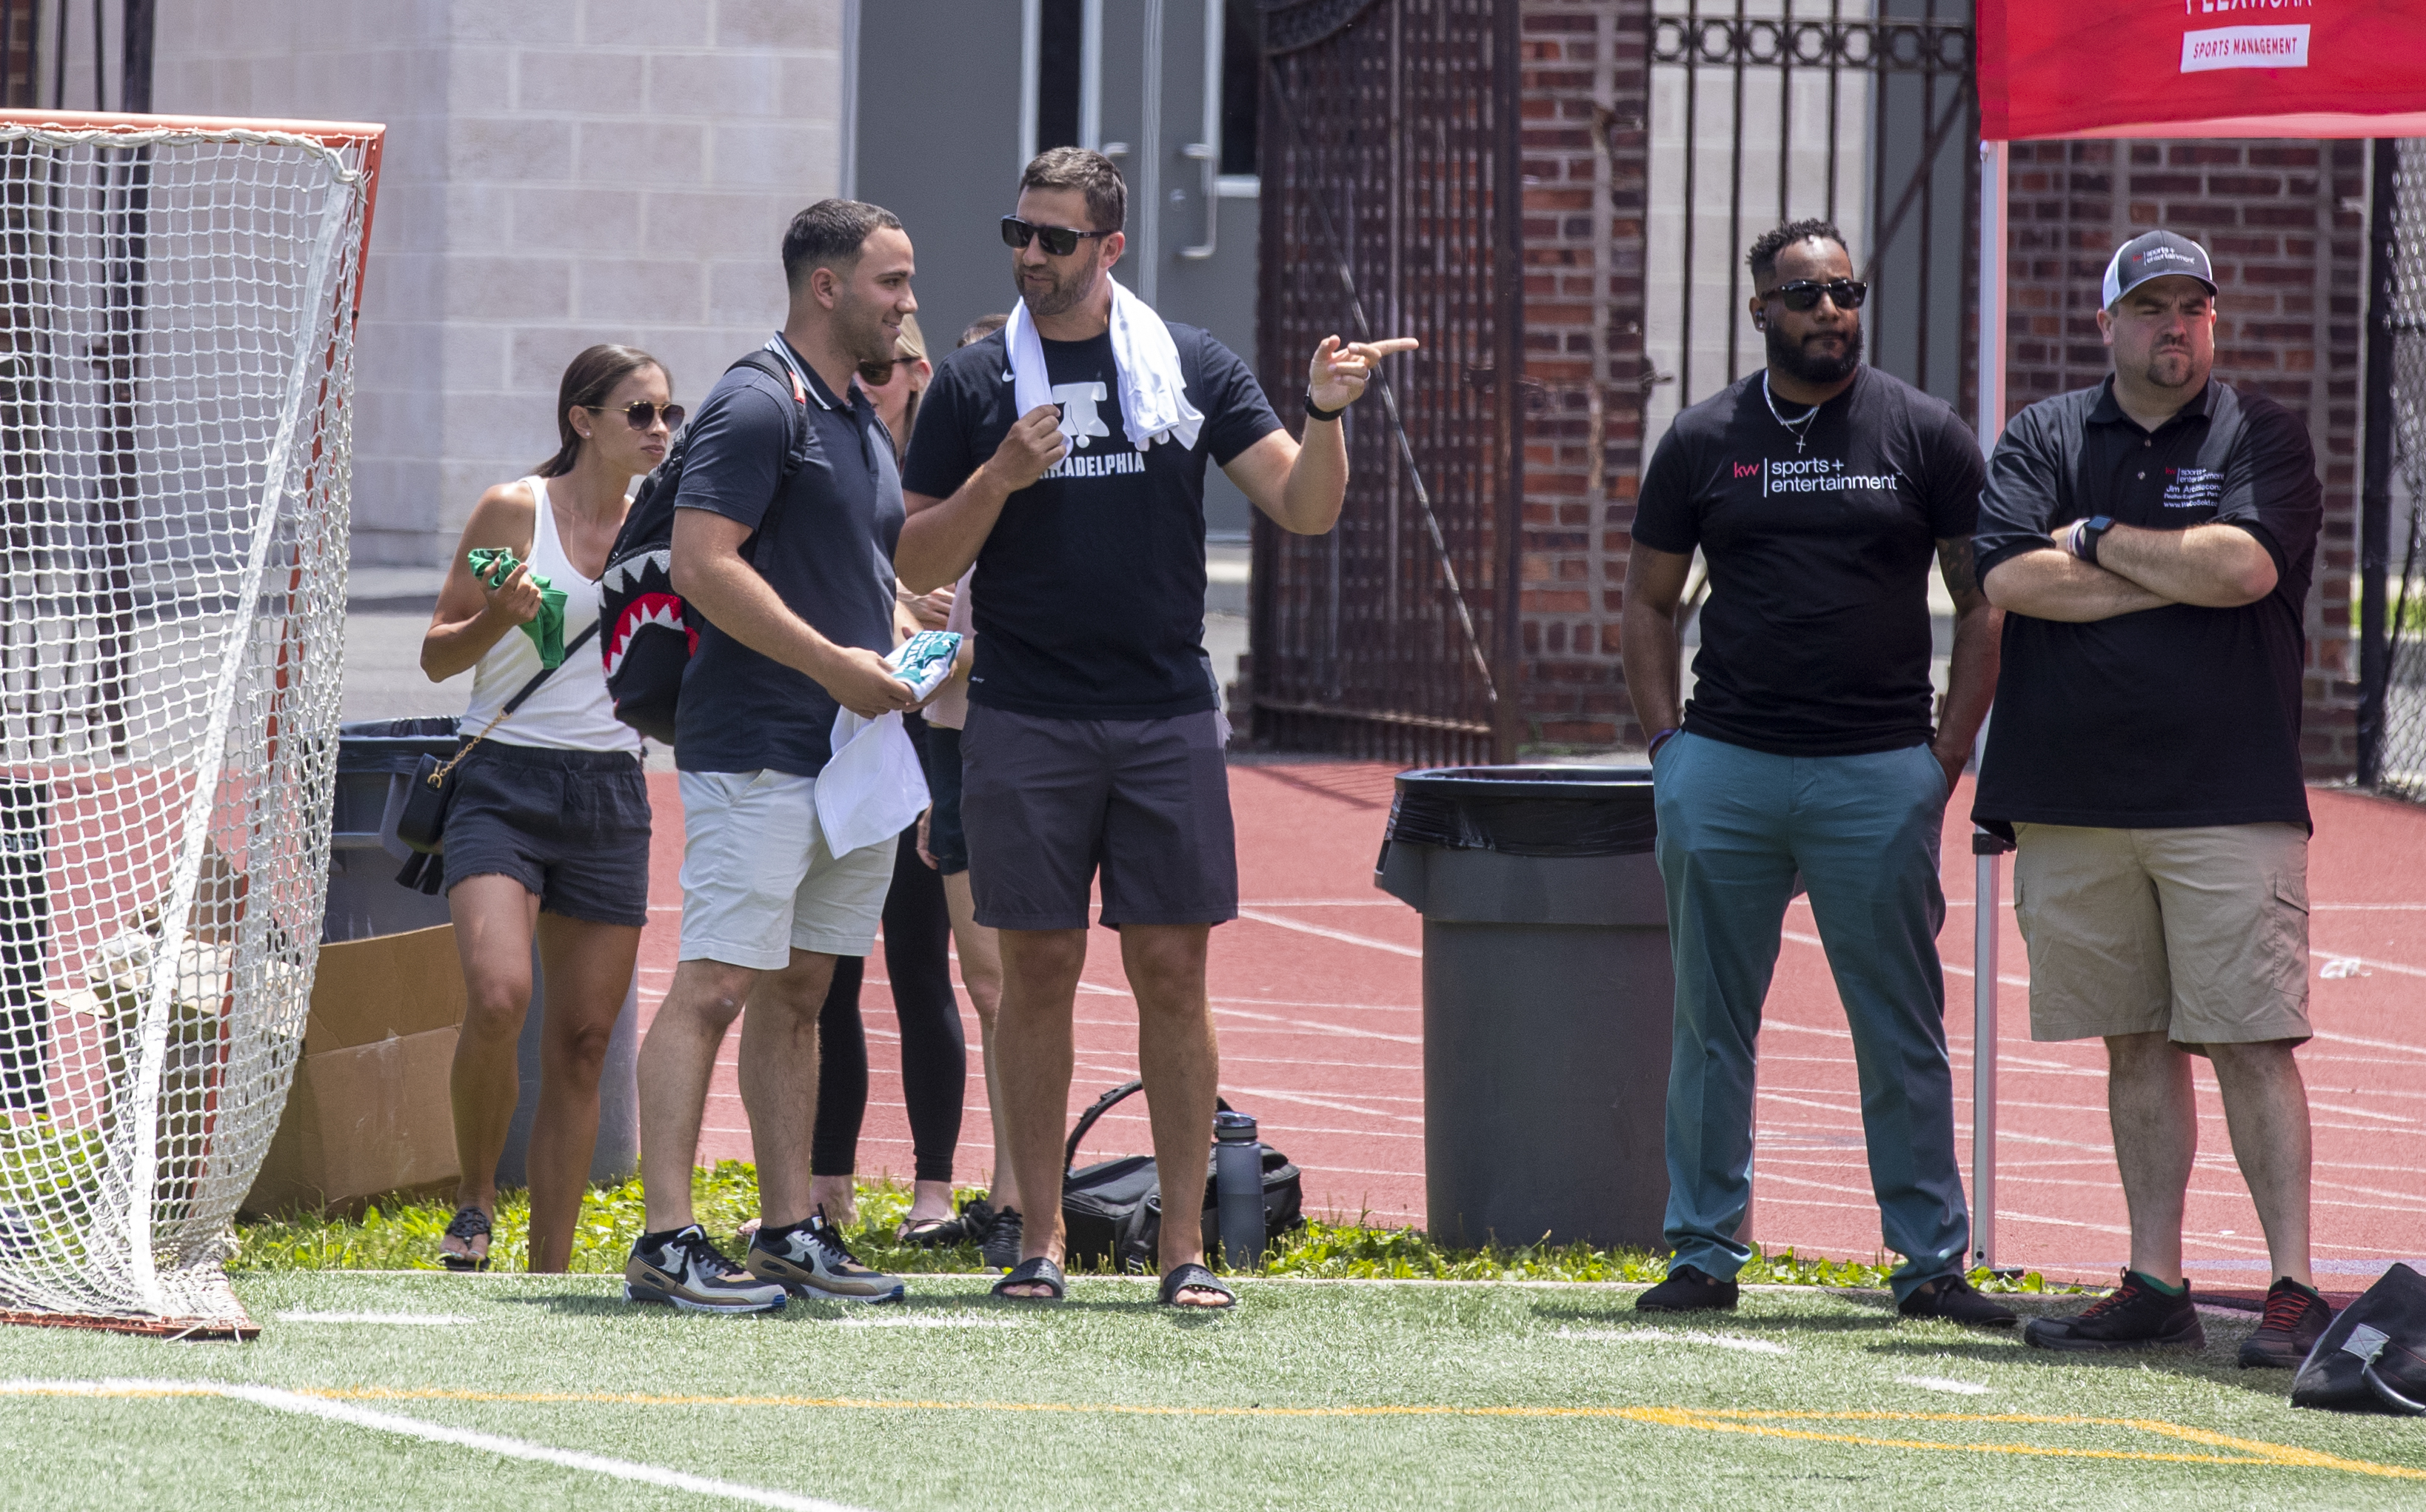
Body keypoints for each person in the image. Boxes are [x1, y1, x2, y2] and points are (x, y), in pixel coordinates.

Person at [895, 147, 1414, 1308]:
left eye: (1055, 239)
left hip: (1163, 714)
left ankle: (1182, 1247)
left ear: (1110, 248)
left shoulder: (1189, 363)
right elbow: (917, 555)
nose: (1031, 255)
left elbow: (1303, 504)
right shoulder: (977, 382)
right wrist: (999, 478)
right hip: (1024, 715)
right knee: (1036, 975)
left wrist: (1326, 413)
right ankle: (1039, 1238)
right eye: (1017, 233)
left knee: (1173, 973)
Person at [1620, 219, 2013, 1326]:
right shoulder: (1703, 440)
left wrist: (1943, 757)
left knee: (1899, 1026)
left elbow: (1984, 600)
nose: (1830, 311)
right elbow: (1649, 604)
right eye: (1805, 295)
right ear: (1761, 311)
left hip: (1877, 771)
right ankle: (1703, 1251)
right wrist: (1668, 752)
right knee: (1709, 1025)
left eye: (1846, 291)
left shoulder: (1925, 433)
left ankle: (1930, 1262)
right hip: (1727, 767)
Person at [1971, 230, 2331, 1366]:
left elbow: (2244, 571)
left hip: (2227, 793)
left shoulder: (2258, 431)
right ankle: (2154, 1277)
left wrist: (2095, 542)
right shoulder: (2042, 432)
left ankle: (2291, 1287)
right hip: (2076, 798)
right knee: (2133, 1042)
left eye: (2194, 307)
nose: (2176, 325)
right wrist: (2165, 574)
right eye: (2152, 306)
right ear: (2109, 322)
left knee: (2252, 1041)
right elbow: (2010, 577)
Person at [623, 199, 924, 1314]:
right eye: (891, 282)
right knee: (716, 984)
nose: (907, 303)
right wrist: (836, 664)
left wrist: (899, 636)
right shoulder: (759, 401)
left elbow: (838, 570)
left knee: (803, 992)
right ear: (827, 286)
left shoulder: (855, 412)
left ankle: (790, 1229)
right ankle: (664, 1238)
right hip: (757, 746)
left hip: (846, 753)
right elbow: (704, 565)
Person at [418, 344, 669, 1274]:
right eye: (638, 412)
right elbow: (439, 656)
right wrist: (500, 617)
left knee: (585, 1041)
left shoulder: (671, 518)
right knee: (498, 995)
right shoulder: (513, 510)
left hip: (611, 787)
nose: (657, 431)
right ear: (583, 419)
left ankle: (551, 1266)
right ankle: (476, 1199)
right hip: (504, 777)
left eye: (666, 415)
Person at [804, 311, 973, 1242]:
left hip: (927, 746)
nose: (872, 385)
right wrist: (907, 606)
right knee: (829, 975)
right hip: (846, 727)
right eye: (862, 372)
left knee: (920, 969)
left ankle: (934, 1190)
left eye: (889, 371)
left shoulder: (939, 478)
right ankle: (828, 1185)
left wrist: (920, 616)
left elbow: (960, 615)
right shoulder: (834, 454)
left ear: (918, 375)